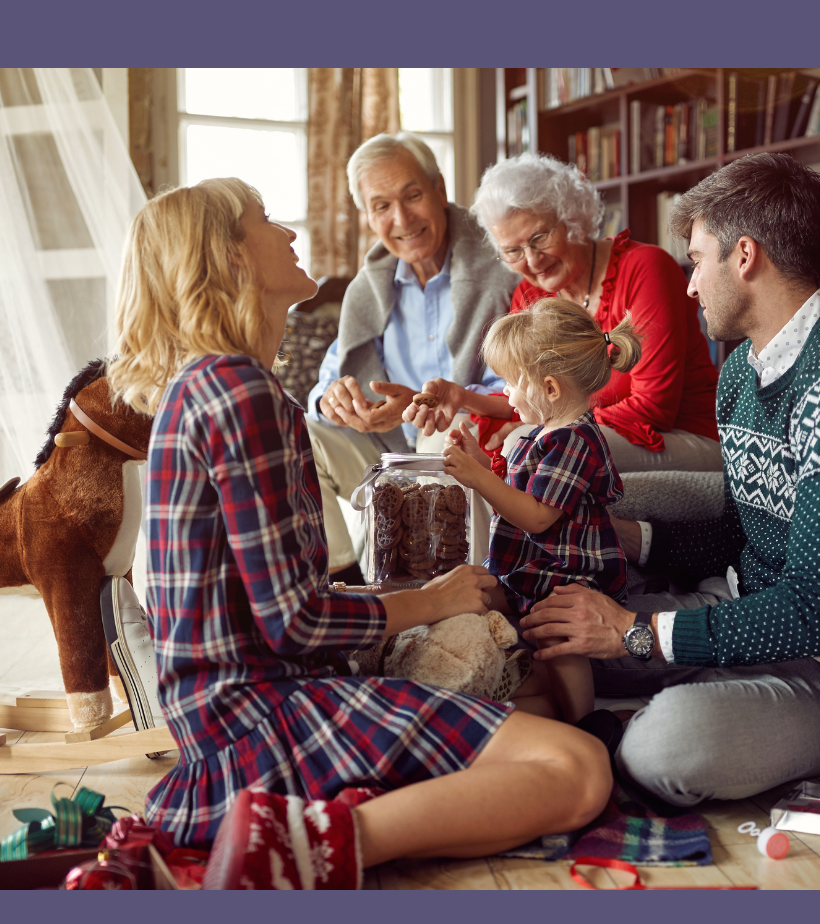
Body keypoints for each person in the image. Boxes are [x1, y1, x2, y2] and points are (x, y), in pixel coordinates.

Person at [106, 178, 610, 885]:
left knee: (522, 710)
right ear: (229, 259)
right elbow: (297, 620)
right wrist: (437, 598)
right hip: (255, 722)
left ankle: (318, 821)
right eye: (265, 221)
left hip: (227, 712)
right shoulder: (240, 391)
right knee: (577, 766)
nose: (287, 233)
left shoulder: (210, 384)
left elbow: (280, 608)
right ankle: (296, 846)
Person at [515, 153, 820, 810]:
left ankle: (643, 722)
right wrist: (632, 538)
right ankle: (655, 705)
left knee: (662, 748)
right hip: (738, 605)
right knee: (550, 644)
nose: (689, 286)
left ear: (745, 257)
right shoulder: (742, 371)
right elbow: (745, 526)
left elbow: (819, 612)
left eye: (696, 260)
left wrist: (634, 631)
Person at [405, 152, 721, 475]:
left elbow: (652, 409)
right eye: (513, 251)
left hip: (678, 438)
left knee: (525, 447)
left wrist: (538, 432)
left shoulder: (646, 269)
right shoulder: (530, 295)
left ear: (571, 217)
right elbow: (528, 397)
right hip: (587, 428)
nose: (532, 259)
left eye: (539, 238)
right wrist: (462, 398)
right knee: (447, 438)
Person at [308, 133, 517, 584]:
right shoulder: (370, 286)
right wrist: (331, 399)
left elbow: (522, 384)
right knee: (297, 434)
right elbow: (331, 375)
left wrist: (432, 405)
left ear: (440, 190)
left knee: (445, 439)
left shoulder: (500, 267)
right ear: (367, 216)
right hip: (386, 451)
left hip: (463, 439)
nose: (401, 218)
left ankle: (461, 592)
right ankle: (347, 584)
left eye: (413, 195)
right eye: (381, 206)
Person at [440, 298, 641, 724]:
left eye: (511, 382)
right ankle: (513, 687)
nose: (506, 394)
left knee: (558, 636)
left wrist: (480, 481)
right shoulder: (542, 434)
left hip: (565, 574)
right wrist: (481, 463)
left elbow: (536, 516)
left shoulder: (574, 439)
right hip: (529, 566)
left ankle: (586, 722)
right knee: (470, 595)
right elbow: (519, 487)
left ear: (550, 388)